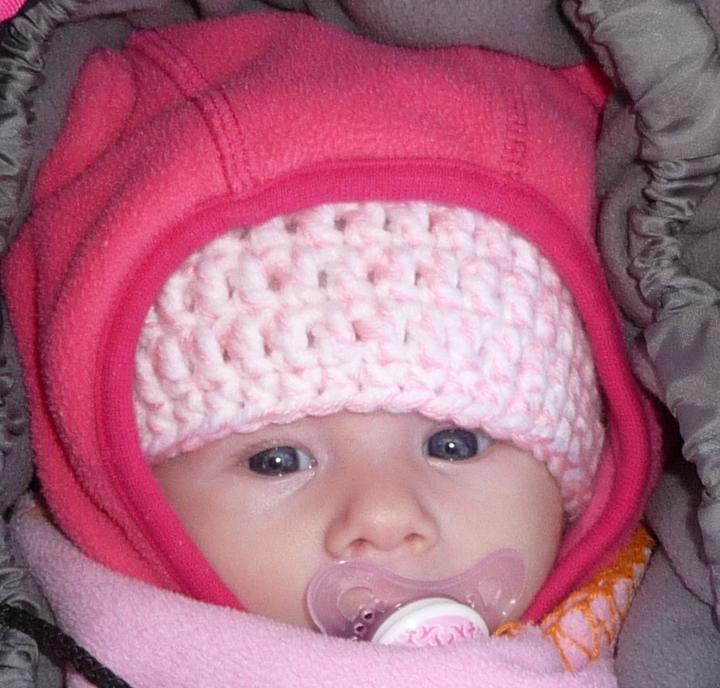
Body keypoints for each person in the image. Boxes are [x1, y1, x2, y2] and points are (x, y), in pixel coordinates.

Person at [1, 10, 661, 687]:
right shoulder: (86, 642)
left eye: (454, 444)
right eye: (277, 460)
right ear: (135, 500)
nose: (384, 518)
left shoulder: (654, 631)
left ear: (573, 490)